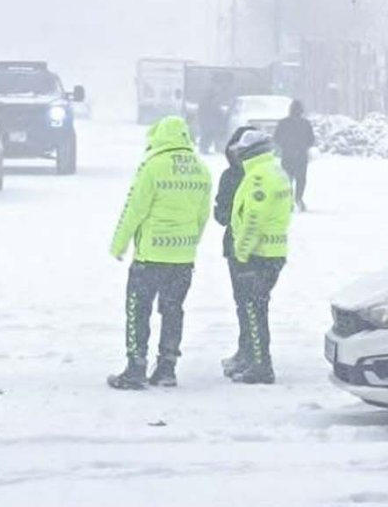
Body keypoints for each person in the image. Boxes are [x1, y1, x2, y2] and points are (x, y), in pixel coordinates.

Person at [109, 116, 212, 390]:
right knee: (173, 310)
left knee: (138, 310)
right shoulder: (201, 169)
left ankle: (136, 368)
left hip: (150, 256)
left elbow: (135, 210)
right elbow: (203, 215)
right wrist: (190, 244)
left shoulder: (152, 167)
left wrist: (119, 245)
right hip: (183, 258)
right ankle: (167, 368)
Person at [228, 129, 294, 384]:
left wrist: (241, 253)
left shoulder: (259, 176)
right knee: (257, 308)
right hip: (274, 251)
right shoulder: (276, 171)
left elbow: (253, 219)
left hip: (259, 254)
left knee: (254, 311)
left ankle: (261, 366)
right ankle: (257, 361)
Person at [214, 124, 257, 378]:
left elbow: (221, 213)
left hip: (248, 247)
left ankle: (252, 352)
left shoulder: (245, 176)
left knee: (250, 303)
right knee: (245, 303)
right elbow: (221, 212)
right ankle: (247, 349)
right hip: (240, 247)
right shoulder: (232, 176)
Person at [274, 99, 315, 212]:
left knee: (287, 180)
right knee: (301, 179)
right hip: (301, 156)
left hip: (287, 155)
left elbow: (276, 138)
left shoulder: (283, 123)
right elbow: (311, 139)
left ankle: (288, 200)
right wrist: (303, 146)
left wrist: (285, 145)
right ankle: (299, 198)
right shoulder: (305, 124)